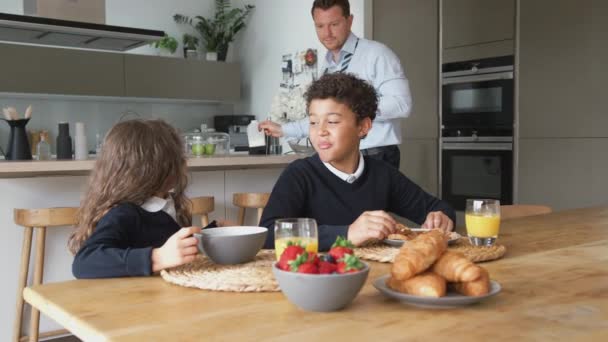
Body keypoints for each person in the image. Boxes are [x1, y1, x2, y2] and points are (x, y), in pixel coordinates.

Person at [260, 73, 454, 251]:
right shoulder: (299, 175)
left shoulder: (383, 175)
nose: (321, 131)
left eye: (333, 121)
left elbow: (438, 208)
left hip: (372, 275)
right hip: (316, 280)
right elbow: (267, 234)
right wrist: (346, 234)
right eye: (313, 122)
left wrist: (439, 218)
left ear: (363, 127)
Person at [259, 0, 411, 169]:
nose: (327, 33)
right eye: (320, 26)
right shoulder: (327, 66)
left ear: (349, 20)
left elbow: (402, 105)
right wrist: (283, 130)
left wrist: (350, 109)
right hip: (339, 156)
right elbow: (325, 117)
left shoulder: (377, 54)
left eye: (334, 24)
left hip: (374, 155)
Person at [69, 119, 215, 278]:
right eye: (176, 160)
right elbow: (84, 262)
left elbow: (171, 247)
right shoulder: (125, 213)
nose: (184, 164)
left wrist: (214, 233)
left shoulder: (166, 204)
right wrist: (156, 258)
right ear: (150, 170)